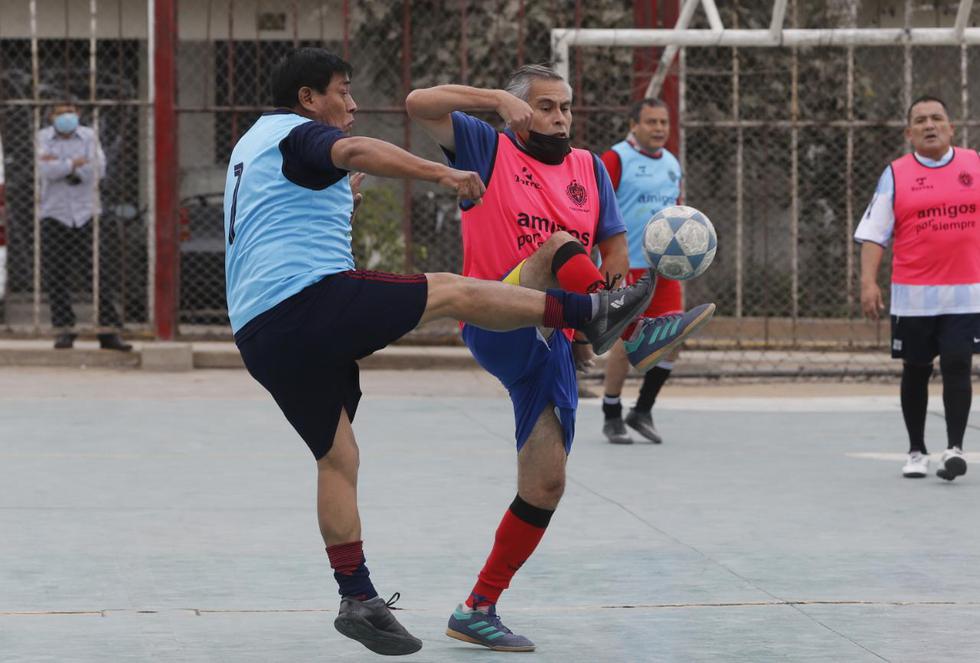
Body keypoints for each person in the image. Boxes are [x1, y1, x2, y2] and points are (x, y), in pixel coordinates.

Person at [224, 47, 660, 657]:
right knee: (452, 291)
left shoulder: (253, 147)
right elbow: (357, 146)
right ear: (308, 98)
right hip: (306, 303)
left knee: (339, 455)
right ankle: (596, 314)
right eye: (343, 92)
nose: (351, 104)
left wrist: (340, 200)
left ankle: (359, 596)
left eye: (566, 108)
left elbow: (287, 210)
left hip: (260, 332)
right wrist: (441, 174)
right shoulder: (303, 136)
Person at [406, 66, 714, 650]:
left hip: (556, 336)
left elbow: (613, 244)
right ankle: (631, 330)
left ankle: (477, 607)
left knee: (546, 483)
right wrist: (495, 98)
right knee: (553, 247)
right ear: (521, 112)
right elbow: (419, 101)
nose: (560, 118)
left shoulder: (589, 168)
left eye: (566, 108)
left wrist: (600, 306)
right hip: (497, 311)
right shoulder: (486, 145)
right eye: (546, 107)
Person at [856, 94, 979, 482]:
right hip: (913, 295)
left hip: (966, 293)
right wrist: (868, 282)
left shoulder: (974, 165)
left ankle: (955, 448)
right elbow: (875, 235)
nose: (930, 125)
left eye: (937, 118)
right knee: (917, 369)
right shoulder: (896, 174)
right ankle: (916, 450)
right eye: (921, 120)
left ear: (951, 127)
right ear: (909, 133)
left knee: (959, 364)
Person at [599, 98, 686, 445]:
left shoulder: (671, 163)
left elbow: (678, 212)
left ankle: (643, 409)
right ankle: (611, 412)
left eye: (664, 122)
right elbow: (597, 206)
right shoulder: (616, 159)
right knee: (627, 341)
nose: (659, 129)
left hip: (664, 265)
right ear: (634, 125)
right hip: (628, 265)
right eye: (651, 122)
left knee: (675, 336)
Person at [37, 102, 130, 351]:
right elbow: (45, 170)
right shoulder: (42, 137)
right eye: (59, 112)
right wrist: (74, 163)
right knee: (57, 275)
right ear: (50, 116)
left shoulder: (89, 135)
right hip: (54, 214)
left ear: (77, 114)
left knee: (98, 274)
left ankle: (107, 331)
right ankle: (64, 329)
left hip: (88, 213)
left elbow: (97, 169)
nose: (65, 116)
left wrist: (62, 164)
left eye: (69, 111)